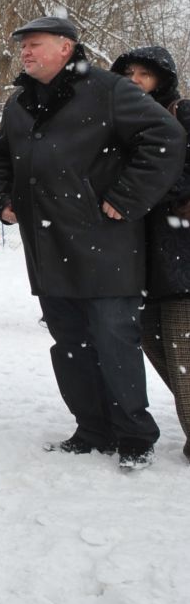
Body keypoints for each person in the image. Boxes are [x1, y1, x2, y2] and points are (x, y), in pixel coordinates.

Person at [0, 16, 184, 467]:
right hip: (48, 251)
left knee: (115, 343)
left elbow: (166, 138)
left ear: (66, 48)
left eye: (35, 45)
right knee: (69, 344)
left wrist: (126, 197)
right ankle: (91, 429)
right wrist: (4, 201)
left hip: (106, 246)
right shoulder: (19, 104)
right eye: (22, 47)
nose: (25, 53)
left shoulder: (110, 90)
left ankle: (134, 437)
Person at [113, 45, 190, 458]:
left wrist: (146, 193)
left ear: (162, 79)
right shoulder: (118, 124)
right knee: (154, 344)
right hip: (138, 260)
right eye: (127, 74)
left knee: (184, 349)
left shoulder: (181, 113)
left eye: (144, 74)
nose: (134, 81)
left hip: (180, 252)